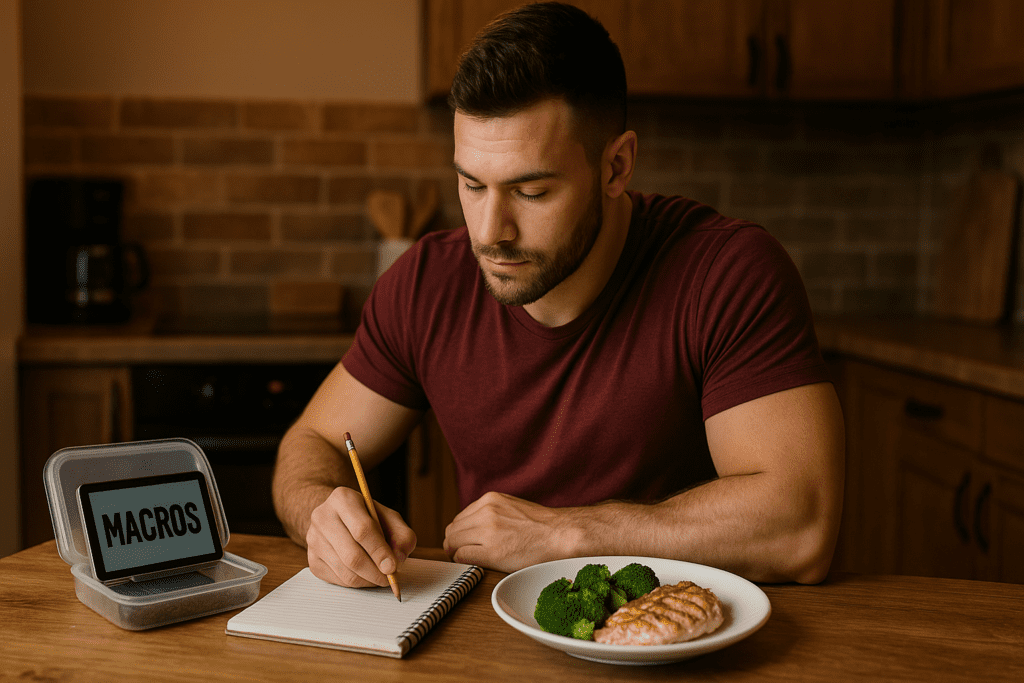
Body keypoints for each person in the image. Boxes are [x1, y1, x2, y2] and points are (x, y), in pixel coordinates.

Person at [272, 1, 845, 590]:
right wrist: (322, 512)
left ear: (616, 167)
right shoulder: (425, 283)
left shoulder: (727, 273)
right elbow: (311, 443)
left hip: (675, 645)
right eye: (472, 184)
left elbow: (799, 526)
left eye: (533, 191)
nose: (491, 230)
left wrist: (568, 536)